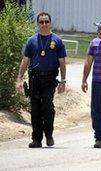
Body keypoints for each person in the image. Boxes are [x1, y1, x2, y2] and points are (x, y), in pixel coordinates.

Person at [16, 12, 67, 148]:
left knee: (47, 106)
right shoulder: (31, 40)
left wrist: (63, 81)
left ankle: (49, 134)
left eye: (46, 22)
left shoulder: (57, 40)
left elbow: (62, 62)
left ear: (50, 23)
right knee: (35, 108)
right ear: (38, 24)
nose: (44, 24)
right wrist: (19, 79)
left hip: (50, 78)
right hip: (35, 78)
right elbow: (25, 61)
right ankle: (36, 139)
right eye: (41, 22)